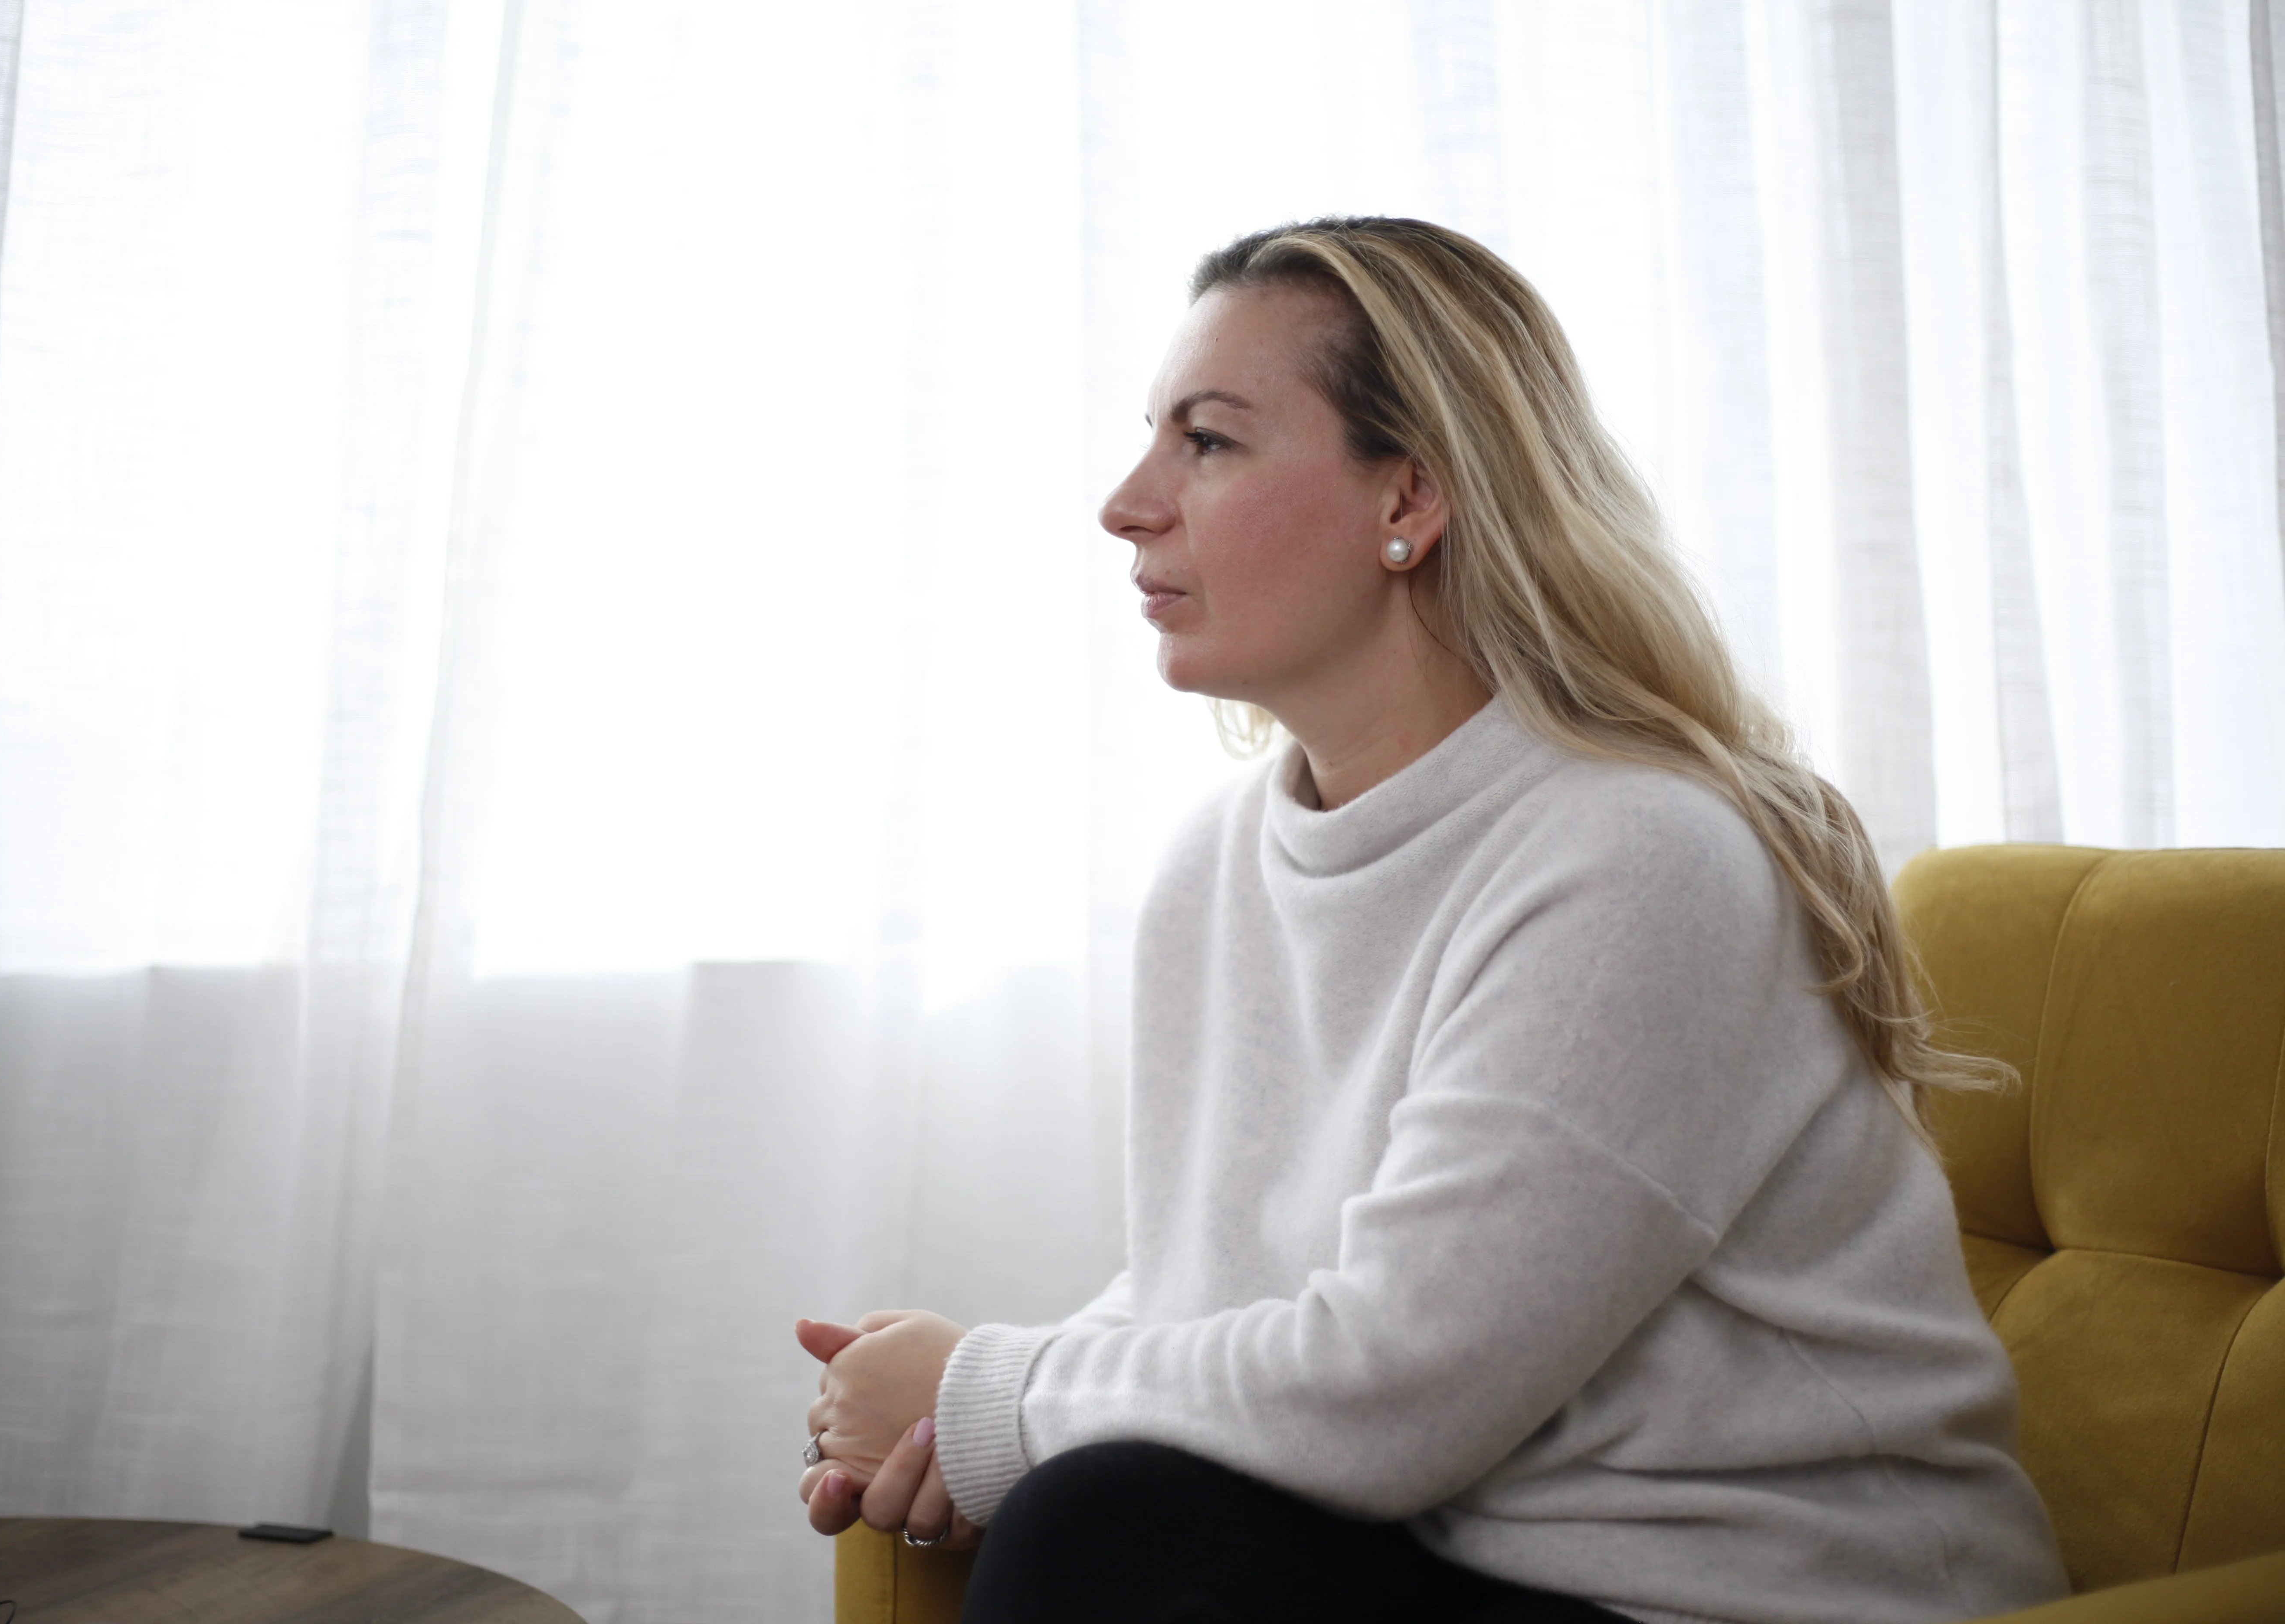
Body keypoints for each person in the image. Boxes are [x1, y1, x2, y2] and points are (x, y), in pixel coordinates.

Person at [792, 216, 2067, 1624]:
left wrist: (991, 1396)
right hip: (1453, 1562)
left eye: (1207, 443)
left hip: (1751, 1600)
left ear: (1409, 497)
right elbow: (1212, 1298)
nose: (1127, 503)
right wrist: (947, 1417)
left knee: (1107, 1529)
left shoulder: (1641, 858)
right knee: (1095, 1509)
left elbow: (1394, 1389)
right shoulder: (1216, 868)